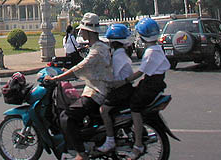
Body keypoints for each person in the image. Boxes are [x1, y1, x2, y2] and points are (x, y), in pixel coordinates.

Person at [45, 12, 113, 160]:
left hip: (97, 92)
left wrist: (56, 78)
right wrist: (65, 71)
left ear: (88, 31)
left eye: (82, 29)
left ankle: (81, 153)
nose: (80, 32)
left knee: (66, 116)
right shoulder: (99, 46)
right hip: (94, 87)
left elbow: (80, 68)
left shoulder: (96, 51)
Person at [118, 17, 170, 160]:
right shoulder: (158, 49)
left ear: (141, 36)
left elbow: (140, 72)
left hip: (149, 87)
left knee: (134, 107)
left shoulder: (150, 52)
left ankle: (138, 143)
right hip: (156, 84)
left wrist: (124, 80)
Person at [95, 24, 134, 154]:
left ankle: (110, 140)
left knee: (103, 110)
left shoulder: (118, 57)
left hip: (121, 90)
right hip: (126, 87)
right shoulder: (121, 53)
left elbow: (114, 78)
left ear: (113, 42)